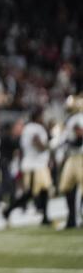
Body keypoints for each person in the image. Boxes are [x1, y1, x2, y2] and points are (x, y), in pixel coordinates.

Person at [3, 107, 52, 226]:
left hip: (33, 164)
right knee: (30, 193)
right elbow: (38, 144)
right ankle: (8, 210)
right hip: (35, 164)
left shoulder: (27, 128)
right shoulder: (36, 128)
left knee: (43, 190)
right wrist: (49, 146)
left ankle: (45, 216)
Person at [58, 94, 83, 228]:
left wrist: (68, 142)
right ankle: (72, 219)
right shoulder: (72, 119)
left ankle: (76, 218)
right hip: (72, 158)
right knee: (66, 187)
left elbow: (79, 138)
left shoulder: (77, 118)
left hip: (80, 157)